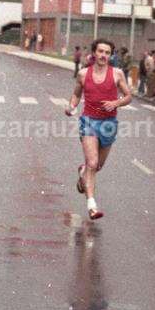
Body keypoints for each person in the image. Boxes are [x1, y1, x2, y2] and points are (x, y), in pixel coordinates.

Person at [65, 38, 132, 220]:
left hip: (109, 123)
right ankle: (92, 205)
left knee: (97, 166)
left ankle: (82, 173)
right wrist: (71, 107)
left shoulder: (117, 74)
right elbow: (77, 94)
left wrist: (116, 102)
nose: (103, 55)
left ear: (111, 55)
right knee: (92, 163)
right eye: (100, 51)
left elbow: (128, 96)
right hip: (89, 121)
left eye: (107, 52)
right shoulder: (83, 74)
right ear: (94, 53)